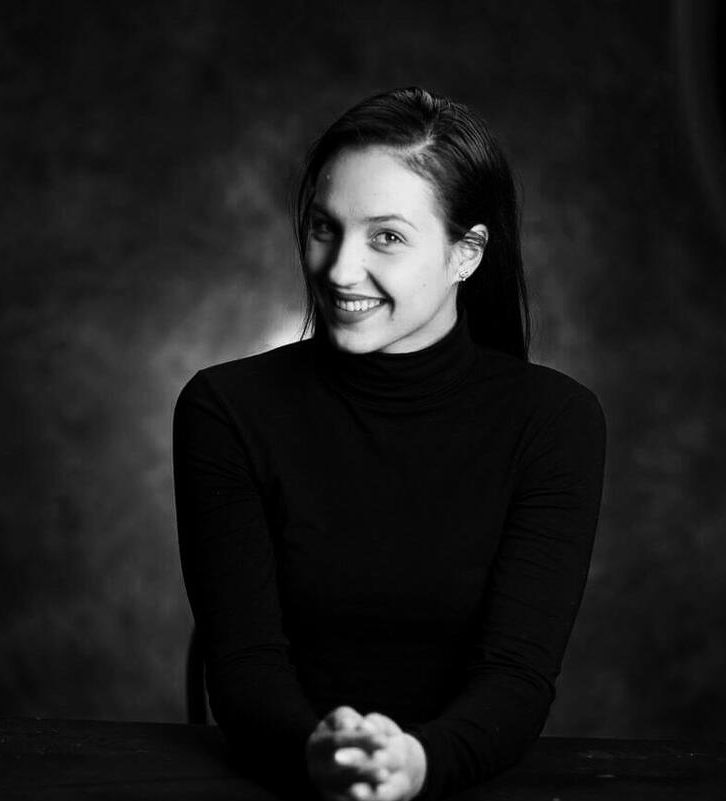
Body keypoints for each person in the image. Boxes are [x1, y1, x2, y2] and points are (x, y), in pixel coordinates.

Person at [173, 86, 606, 801]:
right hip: (284, 779)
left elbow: (517, 674)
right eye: (325, 227)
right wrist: (322, 752)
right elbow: (244, 665)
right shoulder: (225, 409)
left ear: (467, 253)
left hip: (462, 781)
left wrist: (416, 763)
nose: (340, 270)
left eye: (387, 237)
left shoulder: (555, 422)